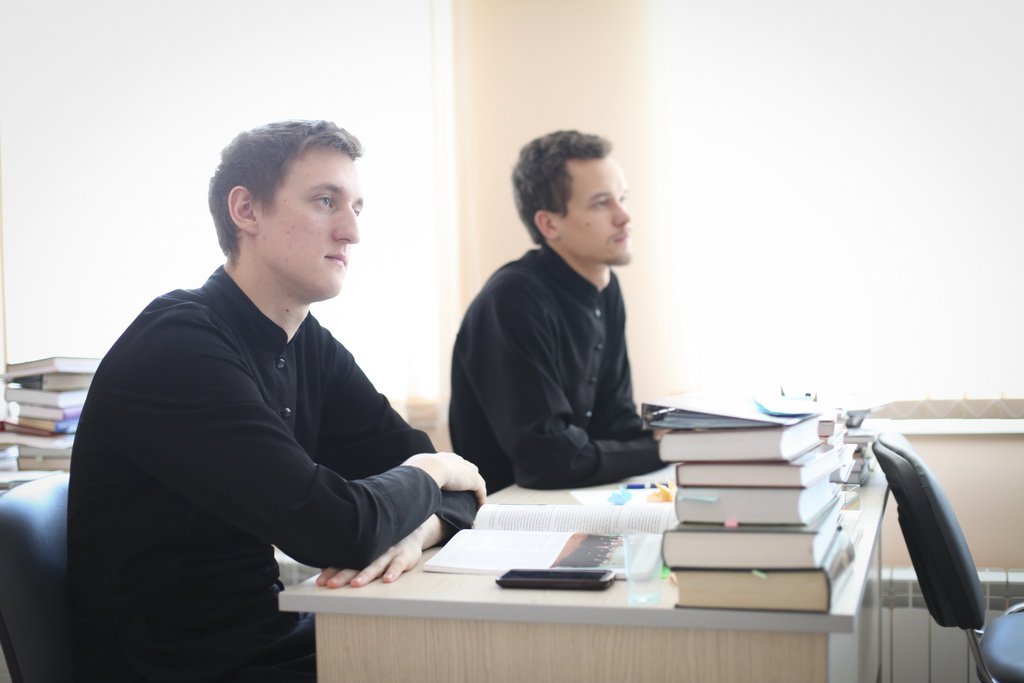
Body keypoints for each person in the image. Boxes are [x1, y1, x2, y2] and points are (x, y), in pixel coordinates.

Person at [67, 120, 485, 682]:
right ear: (247, 211)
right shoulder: (179, 347)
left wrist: (419, 527)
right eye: (325, 201)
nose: (351, 231)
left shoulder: (306, 342)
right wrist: (433, 472)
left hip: (264, 637)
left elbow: (460, 491)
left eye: (357, 207)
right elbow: (335, 528)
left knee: (474, 651)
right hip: (179, 665)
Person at [449, 130, 664, 492]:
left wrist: (687, 440)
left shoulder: (606, 288)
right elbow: (548, 461)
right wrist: (664, 450)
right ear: (549, 224)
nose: (624, 216)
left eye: (622, 198)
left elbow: (616, 424)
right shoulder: (513, 299)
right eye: (601, 203)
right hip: (512, 511)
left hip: (578, 497)